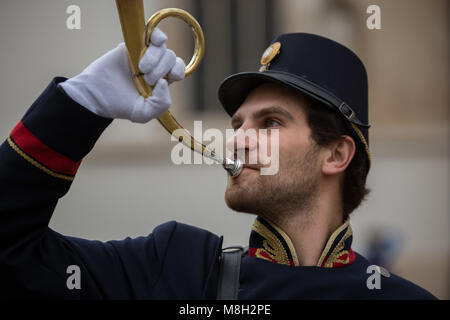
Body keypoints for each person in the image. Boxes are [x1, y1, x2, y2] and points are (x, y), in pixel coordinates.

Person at [0, 28, 436, 299]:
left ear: (337, 154)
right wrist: (79, 107)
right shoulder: (173, 269)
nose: (238, 140)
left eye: (269, 123)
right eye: (237, 123)